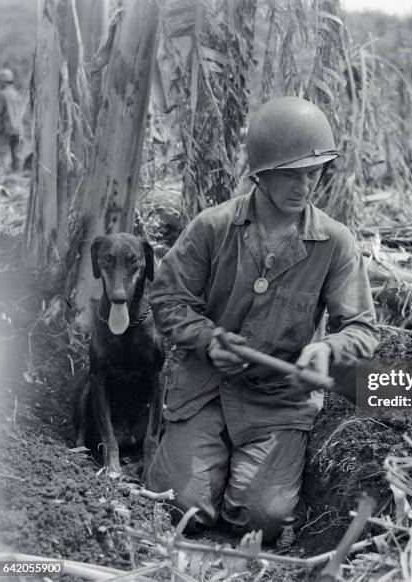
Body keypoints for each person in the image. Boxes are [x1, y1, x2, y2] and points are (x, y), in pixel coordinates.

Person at [145, 96, 379, 542]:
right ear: (261, 174)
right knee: (180, 505)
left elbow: (362, 328)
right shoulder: (213, 227)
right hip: (206, 389)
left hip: (278, 402)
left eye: (314, 173)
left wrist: (326, 348)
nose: (304, 185)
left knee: (263, 519)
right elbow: (168, 296)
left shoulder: (334, 242)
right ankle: (186, 452)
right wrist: (208, 340)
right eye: (291, 174)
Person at [0, 68, 23, 172]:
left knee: (4, 154)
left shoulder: (2, 95)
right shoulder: (17, 94)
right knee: (16, 154)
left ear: (3, 81)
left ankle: (5, 177)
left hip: (6, 129)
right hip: (18, 130)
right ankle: (17, 176)